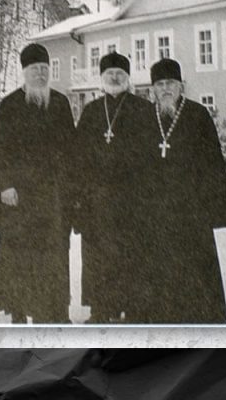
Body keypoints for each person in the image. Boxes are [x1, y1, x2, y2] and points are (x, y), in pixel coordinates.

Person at [0, 43, 75, 323]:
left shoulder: (60, 104)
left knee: (54, 257)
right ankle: (17, 313)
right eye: (34, 69)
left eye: (44, 69)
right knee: (19, 259)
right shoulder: (10, 105)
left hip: (52, 198)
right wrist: (4, 185)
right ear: (24, 72)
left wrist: (69, 190)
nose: (40, 74)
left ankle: (54, 312)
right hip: (20, 198)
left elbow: (71, 149)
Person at [144, 57, 226, 323]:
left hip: (191, 213)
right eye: (160, 84)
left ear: (181, 86)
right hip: (157, 213)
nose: (166, 88)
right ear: (153, 89)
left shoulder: (198, 114)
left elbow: (213, 163)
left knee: (196, 273)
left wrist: (214, 210)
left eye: (171, 83)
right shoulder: (146, 117)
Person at [72, 52, 159, 323]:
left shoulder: (143, 109)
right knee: (98, 258)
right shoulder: (91, 111)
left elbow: (151, 157)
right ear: (102, 78)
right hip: (98, 201)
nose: (114, 76)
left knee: (133, 256)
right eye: (109, 73)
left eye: (120, 73)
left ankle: (134, 310)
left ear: (128, 78)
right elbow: (80, 156)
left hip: (133, 201)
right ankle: (101, 309)